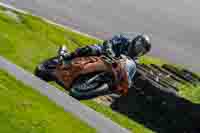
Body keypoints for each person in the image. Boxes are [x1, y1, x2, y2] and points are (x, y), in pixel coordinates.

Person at [60, 33, 151, 94]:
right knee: (91, 49)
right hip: (104, 55)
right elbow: (109, 42)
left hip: (112, 70)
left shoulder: (133, 62)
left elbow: (129, 78)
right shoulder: (123, 40)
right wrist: (109, 51)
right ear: (135, 42)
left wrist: (127, 83)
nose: (139, 50)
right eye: (139, 47)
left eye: (142, 51)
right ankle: (67, 56)